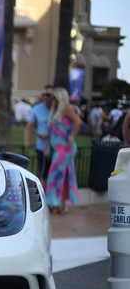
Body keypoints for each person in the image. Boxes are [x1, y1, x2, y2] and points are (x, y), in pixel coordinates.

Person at [46, 87, 81, 215]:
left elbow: (78, 122)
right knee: (64, 176)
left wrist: (71, 138)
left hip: (65, 148)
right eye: (52, 98)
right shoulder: (57, 111)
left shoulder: (67, 109)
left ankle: (55, 204)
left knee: (55, 175)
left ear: (60, 98)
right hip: (59, 148)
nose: (52, 100)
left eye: (54, 98)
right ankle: (60, 205)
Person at [25, 85, 54, 189]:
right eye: (43, 95)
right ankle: (44, 197)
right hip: (42, 148)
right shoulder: (37, 109)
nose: (45, 97)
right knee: (43, 173)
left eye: (48, 95)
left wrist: (47, 136)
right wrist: (27, 140)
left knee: (55, 174)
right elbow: (29, 126)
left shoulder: (58, 109)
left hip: (57, 147)